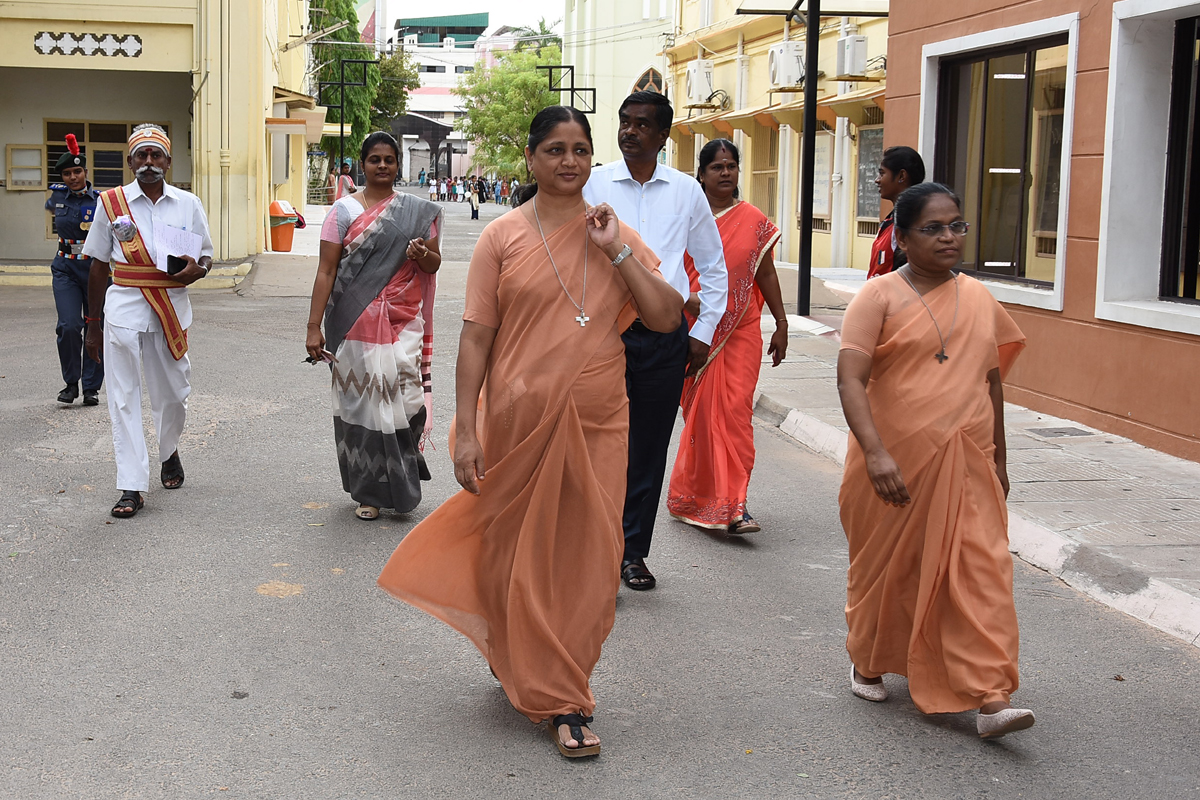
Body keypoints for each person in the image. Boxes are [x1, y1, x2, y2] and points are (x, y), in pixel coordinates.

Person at [377, 106, 681, 759]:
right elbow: (477, 334)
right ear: (531, 159)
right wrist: (464, 429)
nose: (568, 161)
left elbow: (663, 315)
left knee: (590, 558)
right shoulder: (504, 237)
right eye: (554, 150)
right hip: (517, 420)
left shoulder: (610, 230)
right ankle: (532, 666)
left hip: (599, 420)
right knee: (515, 550)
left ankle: (565, 695)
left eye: (579, 150)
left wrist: (616, 250)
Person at [836, 183, 1034, 739]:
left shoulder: (978, 297)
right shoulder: (876, 298)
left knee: (982, 570)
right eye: (932, 228)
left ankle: (993, 694)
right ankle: (869, 656)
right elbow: (850, 379)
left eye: (956, 226)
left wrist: (999, 458)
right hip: (891, 463)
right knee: (890, 572)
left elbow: (991, 382)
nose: (949, 236)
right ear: (900, 237)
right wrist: (875, 453)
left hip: (967, 456)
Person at [583, 90, 728, 591]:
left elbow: (713, 268)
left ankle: (632, 554)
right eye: (625, 122)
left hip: (665, 338)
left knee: (647, 447)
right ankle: (594, 552)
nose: (630, 131)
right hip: (603, 336)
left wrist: (702, 333)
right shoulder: (593, 182)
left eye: (643, 124)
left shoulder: (686, 191)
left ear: (664, 136)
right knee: (598, 446)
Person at [305, 132, 443, 521]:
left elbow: (433, 264)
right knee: (362, 407)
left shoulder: (418, 212)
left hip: (403, 321)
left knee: (408, 401)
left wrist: (421, 255)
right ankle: (369, 491)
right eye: (374, 159)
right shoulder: (343, 212)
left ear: (398, 165)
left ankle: (401, 470)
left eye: (389, 160)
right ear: (361, 165)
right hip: (353, 324)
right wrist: (314, 326)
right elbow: (326, 270)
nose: (382, 166)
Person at [82, 124, 214, 518]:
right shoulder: (111, 202)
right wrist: (92, 323)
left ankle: (168, 449)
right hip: (123, 308)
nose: (149, 163)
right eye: (142, 156)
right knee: (122, 398)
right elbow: (97, 265)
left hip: (171, 308)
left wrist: (199, 270)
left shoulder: (188, 203)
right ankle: (132, 486)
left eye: (157, 156)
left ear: (169, 162)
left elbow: (206, 255)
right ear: (130, 161)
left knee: (174, 394)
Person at [666, 139, 788, 535]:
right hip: (694, 327)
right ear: (700, 174)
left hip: (741, 331)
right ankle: (695, 495)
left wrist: (782, 322)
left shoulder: (752, 218)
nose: (725, 173)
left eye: (731, 166)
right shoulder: (685, 215)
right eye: (717, 166)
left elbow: (765, 272)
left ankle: (734, 505)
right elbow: (667, 270)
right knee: (700, 416)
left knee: (735, 414)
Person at [45, 134, 104, 406]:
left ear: (86, 172)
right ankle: (71, 384)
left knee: (96, 324)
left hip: (95, 268)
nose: (72, 177)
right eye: (67, 173)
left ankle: (91, 388)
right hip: (65, 267)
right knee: (69, 325)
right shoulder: (56, 196)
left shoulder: (102, 201)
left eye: (77, 171)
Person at [868, 146, 925, 279]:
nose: (877, 180)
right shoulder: (892, 219)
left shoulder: (912, 222)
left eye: (882, 173)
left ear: (901, 176)